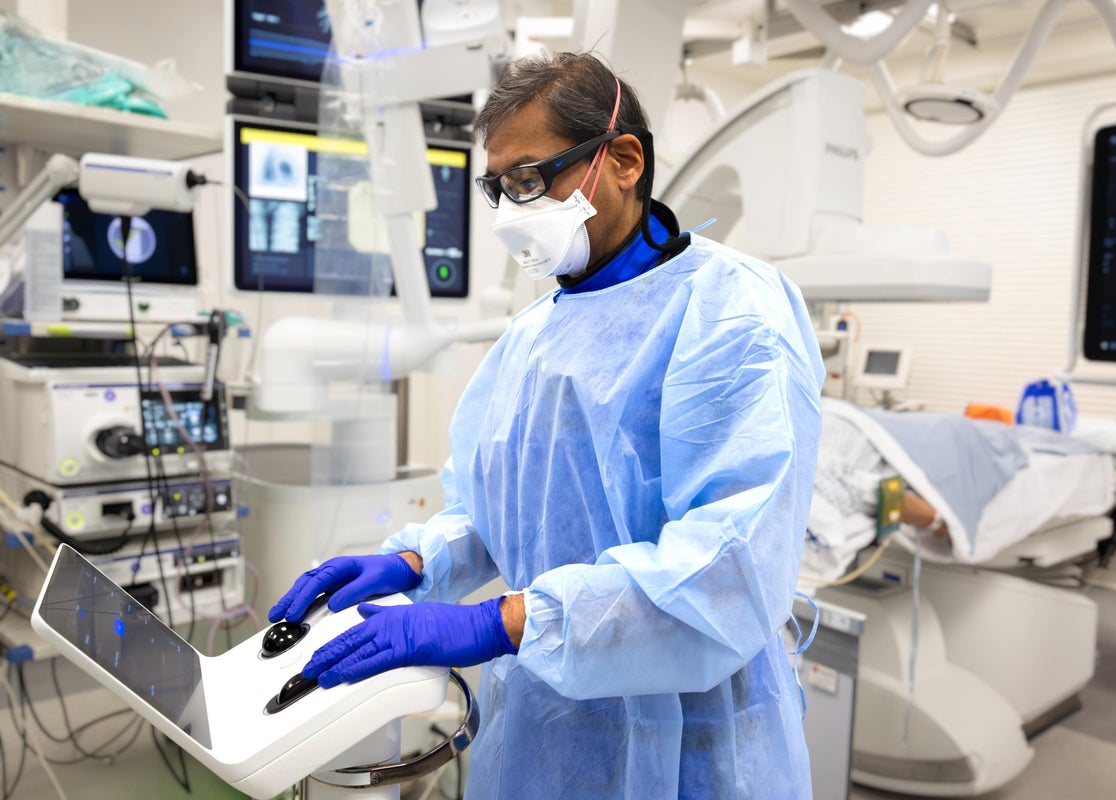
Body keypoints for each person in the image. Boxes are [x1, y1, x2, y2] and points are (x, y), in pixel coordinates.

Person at [269, 52, 826, 799]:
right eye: (498, 188)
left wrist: (494, 624)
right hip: (548, 728)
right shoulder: (536, 335)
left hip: (692, 744)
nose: (511, 211)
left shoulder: (734, 313)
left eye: (530, 180)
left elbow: (727, 571)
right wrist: (415, 562)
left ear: (622, 160)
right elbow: (503, 509)